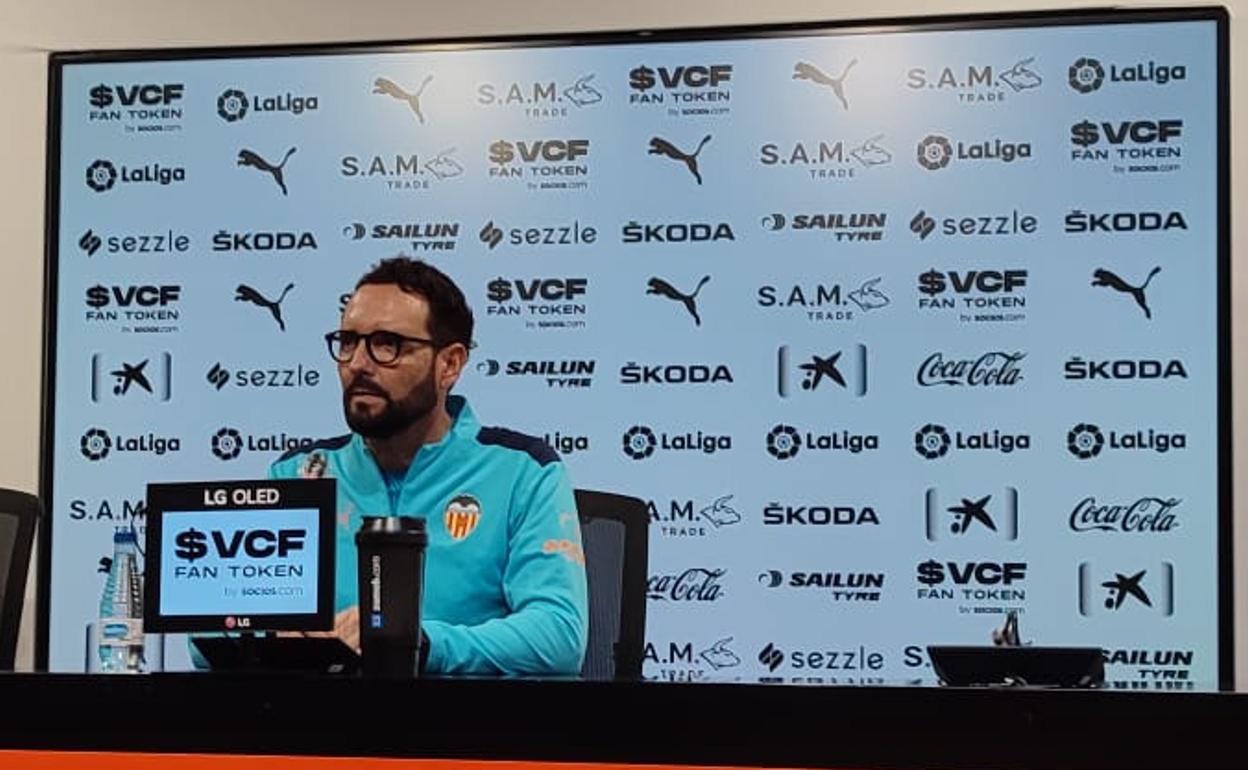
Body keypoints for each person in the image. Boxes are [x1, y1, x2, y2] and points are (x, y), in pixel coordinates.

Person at [268, 256, 587, 675]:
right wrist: (266, 636)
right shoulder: (299, 474)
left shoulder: (523, 472)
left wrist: (417, 643)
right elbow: (213, 635)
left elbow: (559, 636)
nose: (358, 363)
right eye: (348, 342)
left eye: (387, 344)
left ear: (449, 364)